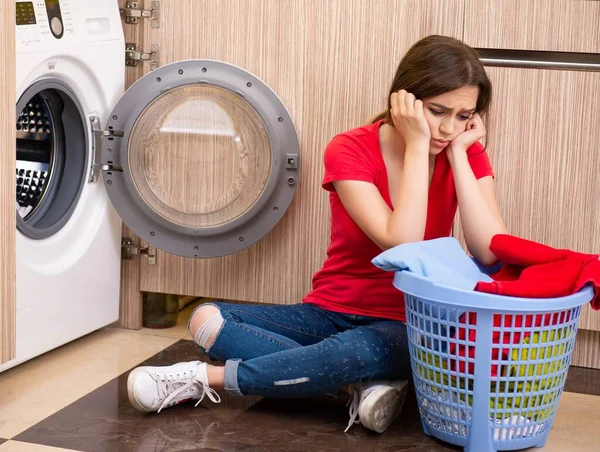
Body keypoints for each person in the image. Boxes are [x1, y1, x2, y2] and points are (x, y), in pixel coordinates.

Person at [126, 35, 507, 434]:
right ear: (404, 100)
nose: (449, 128)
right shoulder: (349, 149)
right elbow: (399, 239)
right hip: (331, 310)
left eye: (465, 115)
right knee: (208, 318)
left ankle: (206, 378)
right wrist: (417, 143)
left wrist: (461, 154)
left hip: (412, 322)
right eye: (437, 111)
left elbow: (486, 250)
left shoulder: (459, 150)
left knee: (363, 348)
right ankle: (350, 385)